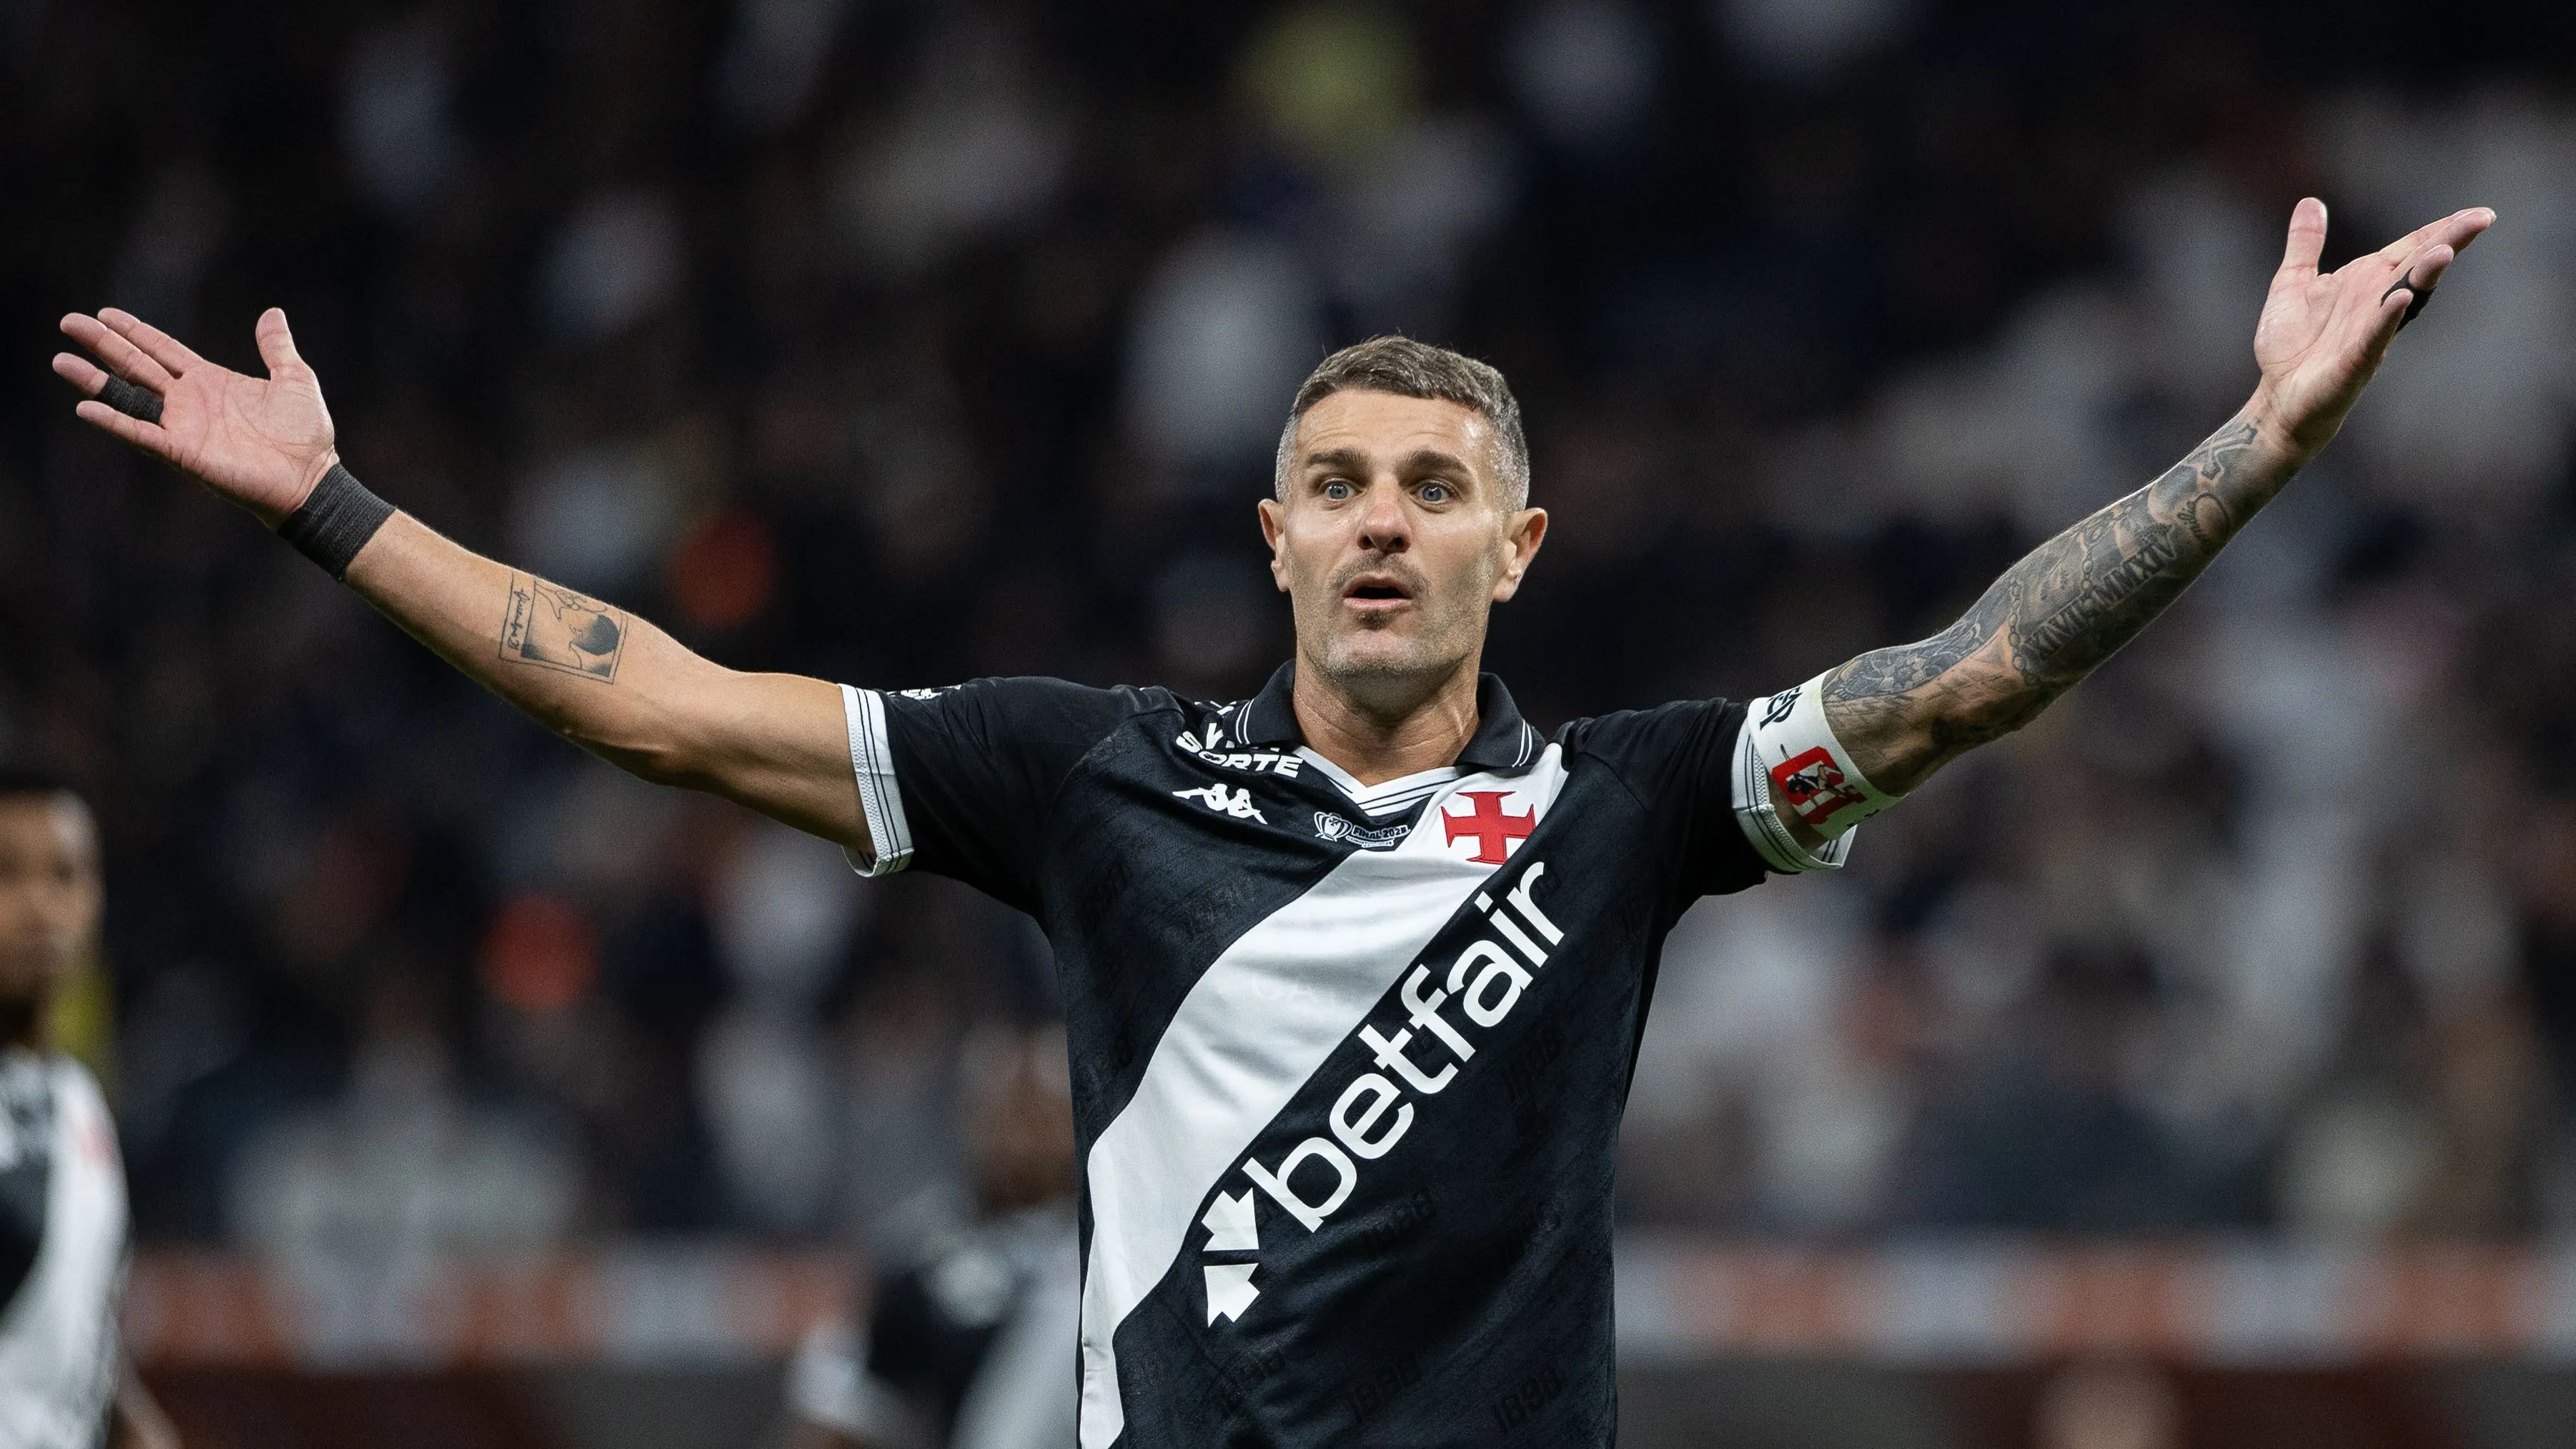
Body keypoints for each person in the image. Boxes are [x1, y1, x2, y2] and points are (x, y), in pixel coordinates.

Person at [51, 196, 2490, 1446]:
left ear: (1515, 545)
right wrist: (336, 505)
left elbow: (1969, 672)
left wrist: (2255, 443)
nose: (1384, 519)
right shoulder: (1088, 774)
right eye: (1335, 481)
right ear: (1274, 536)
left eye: (1437, 483)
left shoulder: (1622, 805)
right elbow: (669, 708)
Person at [786, 1023, 1079, 1449]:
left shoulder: (1121, 1245)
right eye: (1007, 1112)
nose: (1021, 1141)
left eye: (1039, 1115)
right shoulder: (926, 1255)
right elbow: (837, 1409)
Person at [0, 769, 178, 1449]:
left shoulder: (79, 1104)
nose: (38, 906)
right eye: (6, 874)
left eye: (64, 876)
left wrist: (136, 1426)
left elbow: (76, 1339)